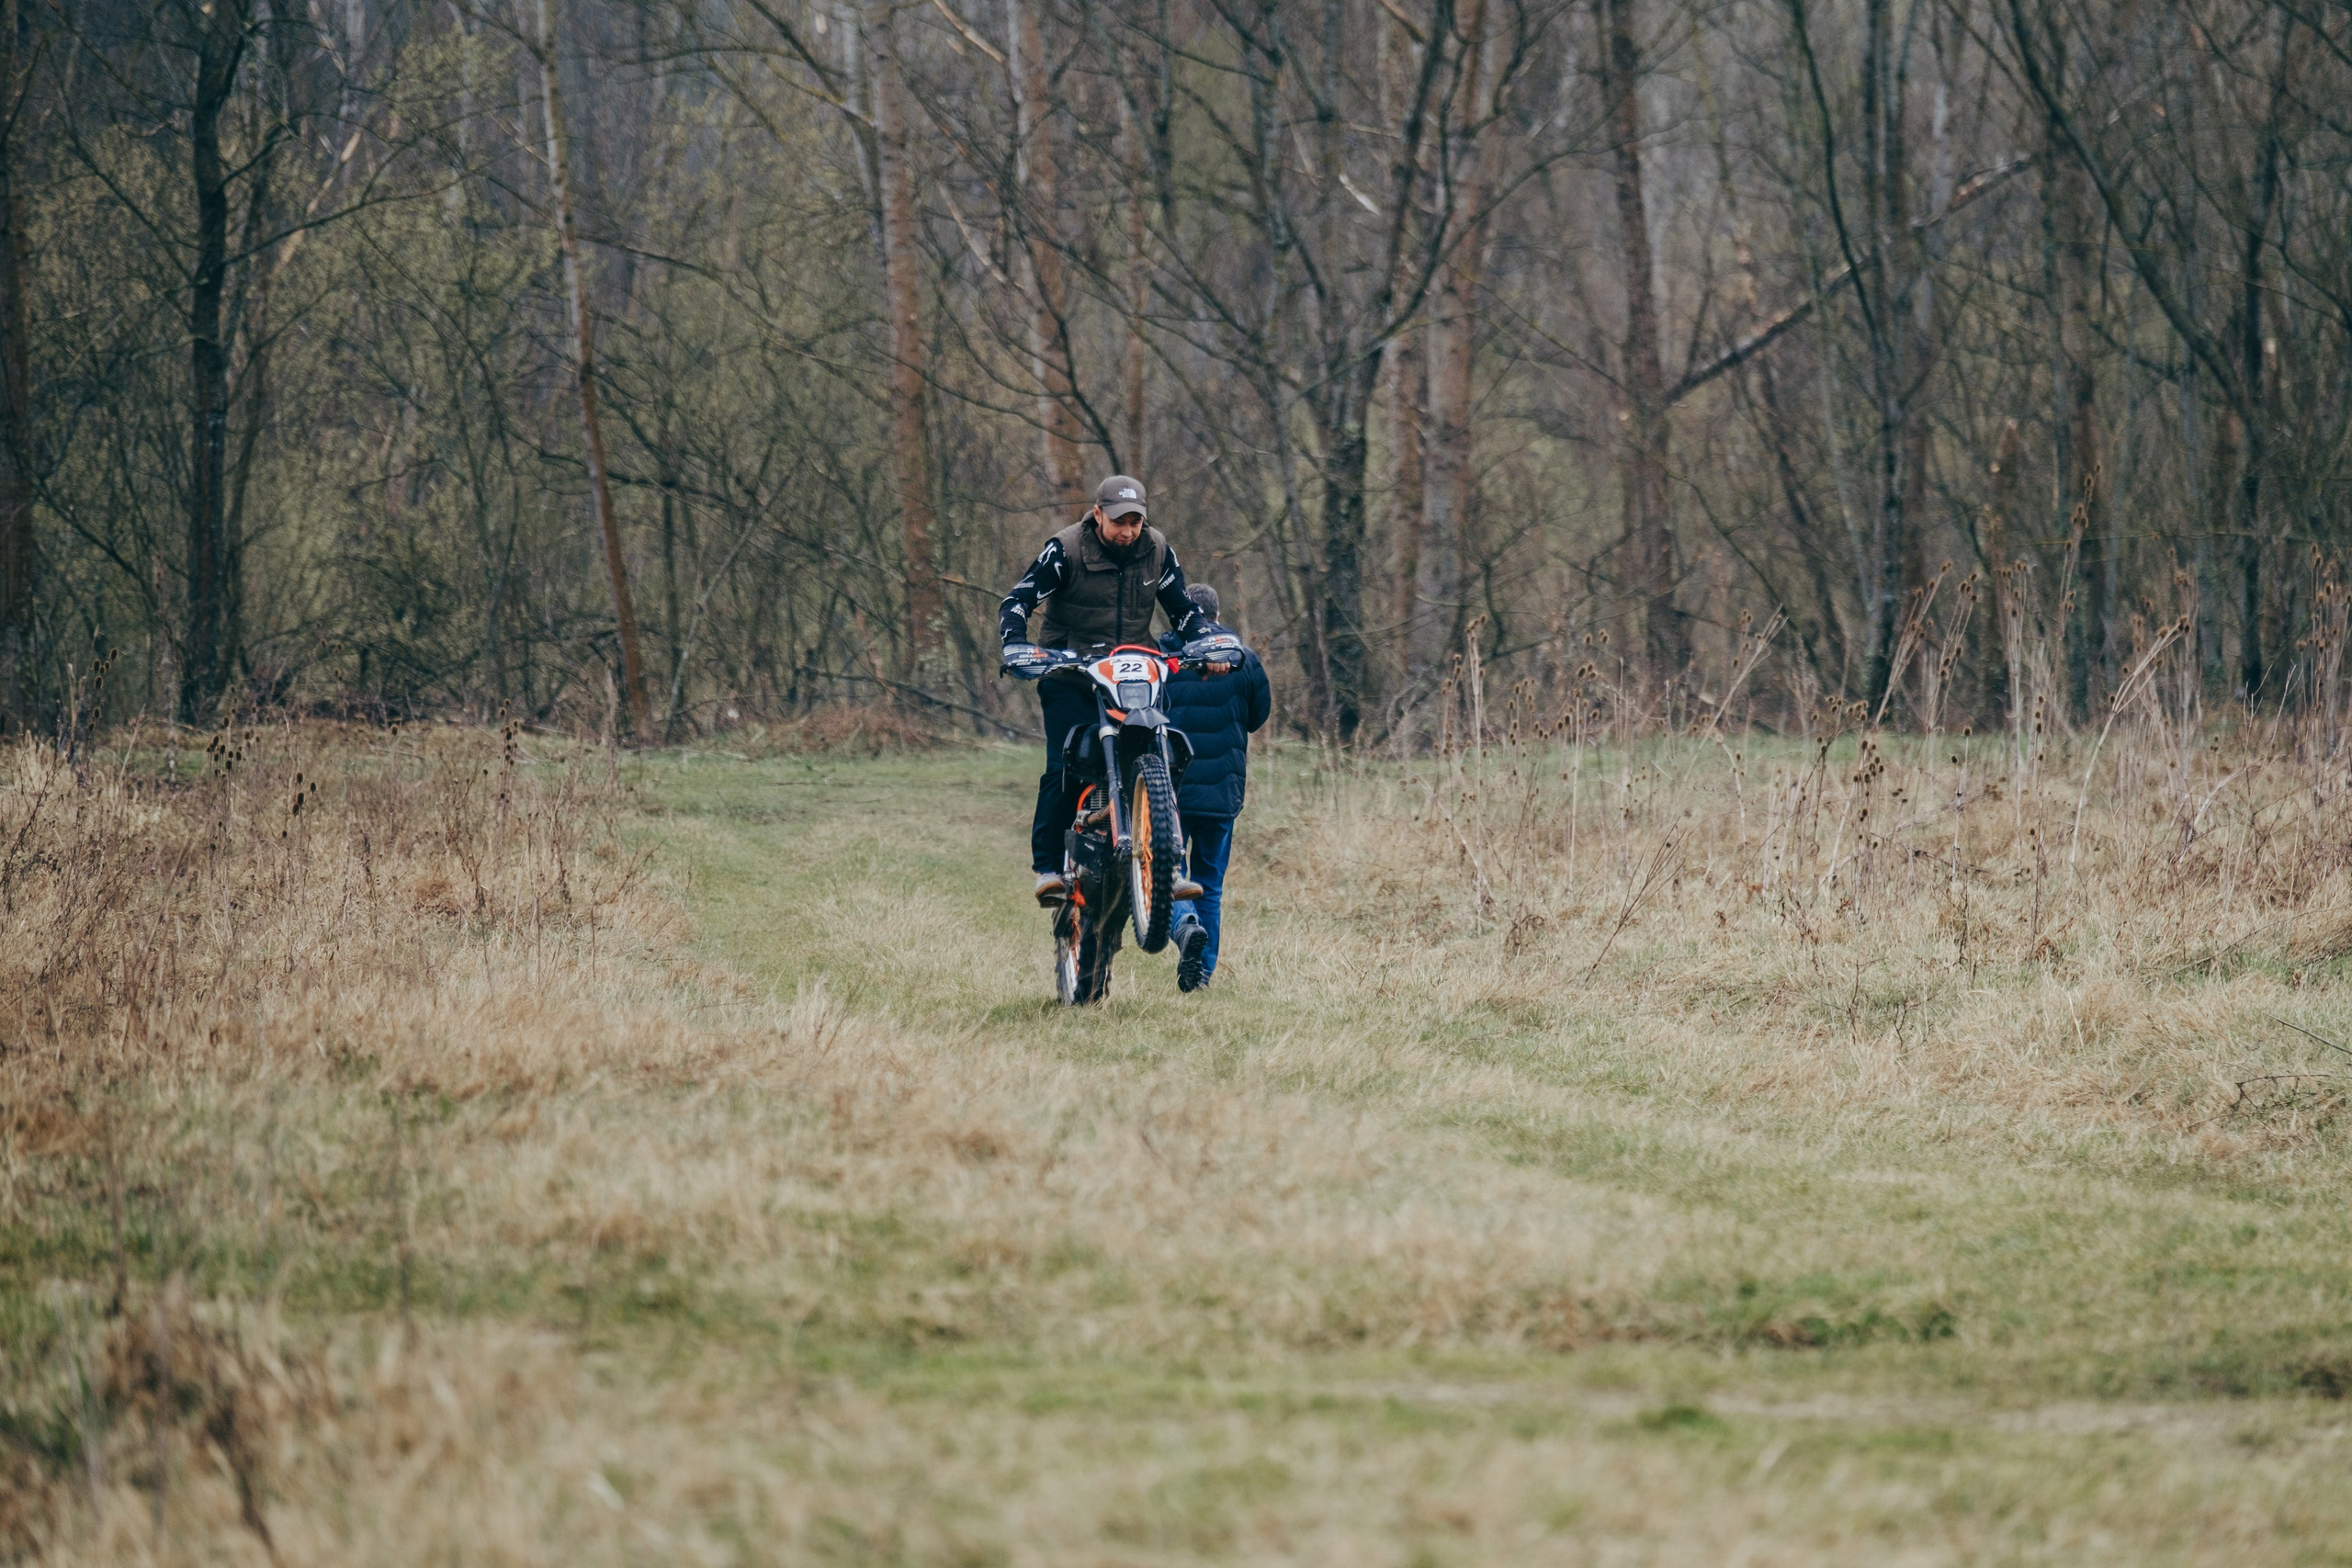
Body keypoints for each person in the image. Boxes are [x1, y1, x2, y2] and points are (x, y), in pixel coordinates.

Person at [1001, 475, 1214, 905]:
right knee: (1064, 764)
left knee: (1161, 755)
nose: (1128, 531)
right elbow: (1018, 600)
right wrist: (1016, 645)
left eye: (1136, 521)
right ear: (1098, 513)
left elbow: (1184, 613)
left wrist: (1207, 645)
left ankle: (1166, 866)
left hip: (1132, 671)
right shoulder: (1064, 550)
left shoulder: (1157, 551)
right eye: (1119, 521)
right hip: (1071, 672)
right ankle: (1047, 867)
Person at [1158, 584, 1272, 992]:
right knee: (1210, 883)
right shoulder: (1245, 661)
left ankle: (1186, 927)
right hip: (1223, 792)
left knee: (1165, 873)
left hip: (1168, 792)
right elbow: (1258, 717)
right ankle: (1202, 975)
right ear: (1218, 617)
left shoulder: (1160, 658)